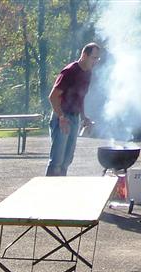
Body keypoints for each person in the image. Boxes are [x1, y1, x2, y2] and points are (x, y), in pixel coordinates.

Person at [46, 42, 101, 177]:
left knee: (67, 160)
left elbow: (80, 97)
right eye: (94, 58)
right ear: (84, 55)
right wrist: (61, 117)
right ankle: (48, 188)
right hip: (62, 117)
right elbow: (53, 96)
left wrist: (84, 116)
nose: (95, 61)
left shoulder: (88, 73)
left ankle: (61, 187)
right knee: (57, 161)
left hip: (75, 118)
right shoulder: (69, 71)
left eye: (97, 58)